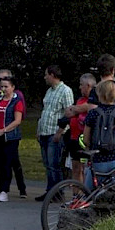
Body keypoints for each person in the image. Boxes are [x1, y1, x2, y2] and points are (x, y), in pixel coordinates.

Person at [35, 65, 74, 202]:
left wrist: (60, 132)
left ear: (52, 75)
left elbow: (69, 113)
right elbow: (45, 111)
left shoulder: (65, 91)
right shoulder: (49, 91)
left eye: (46, 74)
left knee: (54, 164)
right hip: (45, 131)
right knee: (48, 164)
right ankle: (49, 191)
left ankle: (57, 192)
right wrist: (39, 130)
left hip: (54, 133)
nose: (45, 77)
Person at [0, 69, 27, 198]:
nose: (2, 87)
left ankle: (19, 189)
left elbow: (18, 118)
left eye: (5, 84)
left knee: (12, 162)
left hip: (10, 136)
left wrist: (4, 130)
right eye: (0, 82)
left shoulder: (17, 97)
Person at [82, 80, 115, 190]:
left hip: (98, 160)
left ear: (99, 94)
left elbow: (85, 139)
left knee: (88, 194)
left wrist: (90, 146)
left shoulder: (93, 113)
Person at [62, 73, 96, 184]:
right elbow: (68, 112)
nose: (80, 87)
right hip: (74, 137)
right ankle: (75, 195)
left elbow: (82, 109)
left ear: (89, 85)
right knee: (75, 168)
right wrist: (77, 109)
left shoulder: (93, 100)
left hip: (84, 139)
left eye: (82, 85)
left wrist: (76, 109)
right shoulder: (80, 99)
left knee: (83, 168)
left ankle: (84, 192)